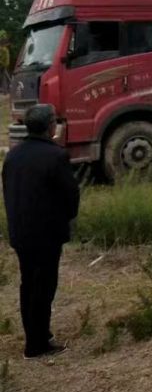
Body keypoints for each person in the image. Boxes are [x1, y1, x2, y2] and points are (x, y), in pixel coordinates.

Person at [2, 104, 80, 359]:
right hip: (47, 234)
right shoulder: (56, 156)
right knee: (45, 286)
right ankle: (38, 345)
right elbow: (71, 195)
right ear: (50, 126)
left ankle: (36, 337)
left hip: (21, 232)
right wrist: (68, 218)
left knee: (28, 285)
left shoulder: (12, 156)